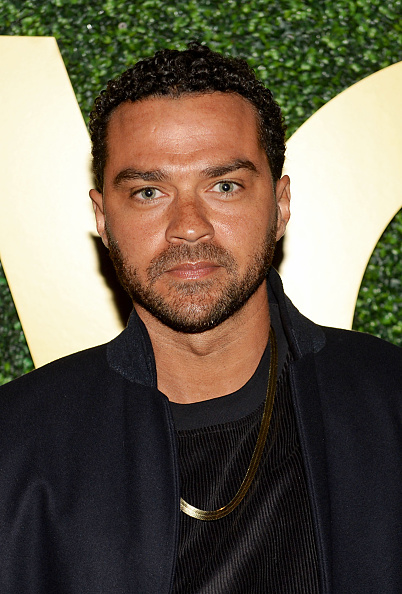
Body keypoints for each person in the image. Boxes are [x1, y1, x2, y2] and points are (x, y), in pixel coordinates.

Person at [0, 42, 401, 594]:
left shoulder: (389, 403)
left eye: (224, 186)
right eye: (148, 191)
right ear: (103, 217)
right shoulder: (16, 443)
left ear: (280, 205)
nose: (189, 226)